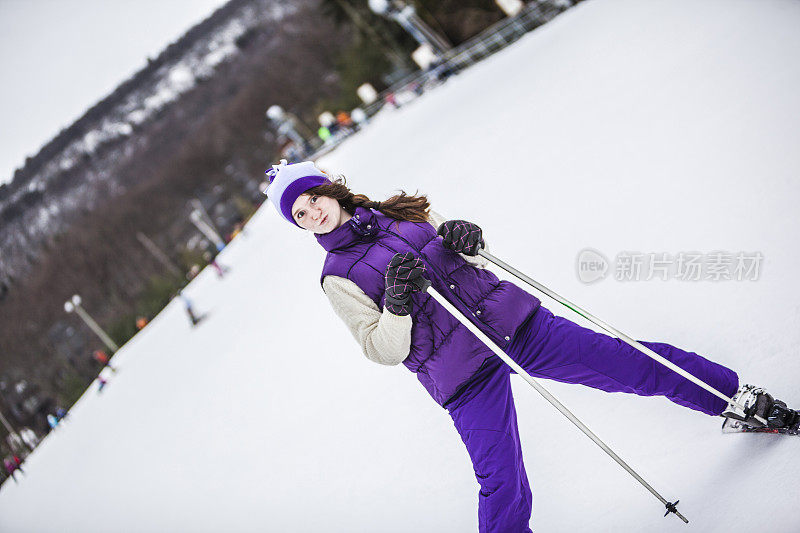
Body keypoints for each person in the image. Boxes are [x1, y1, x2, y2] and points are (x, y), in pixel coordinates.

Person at [264, 159, 796, 532]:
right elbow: (381, 348)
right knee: (502, 482)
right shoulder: (337, 277)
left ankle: (735, 400)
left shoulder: (403, 214)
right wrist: (398, 306)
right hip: (463, 375)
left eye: (312, 200)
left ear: (328, 188)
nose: (314, 215)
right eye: (301, 216)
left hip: (517, 328)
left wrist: (468, 238)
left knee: (635, 362)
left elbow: (471, 259)